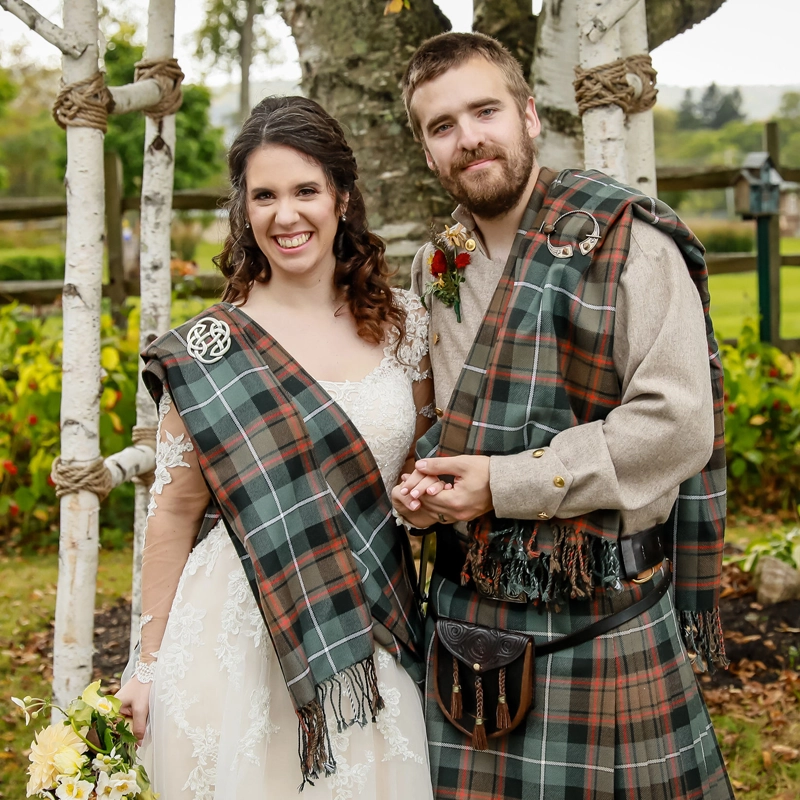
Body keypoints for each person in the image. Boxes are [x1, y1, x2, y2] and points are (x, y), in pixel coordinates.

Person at [391, 32, 733, 800]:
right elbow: (437, 422)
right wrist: (422, 490)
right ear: (425, 148)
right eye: (441, 126)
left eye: (485, 111)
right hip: (465, 620)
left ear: (530, 116)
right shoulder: (432, 265)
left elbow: (679, 425)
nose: (468, 137)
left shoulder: (629, 244)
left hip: (604, 622)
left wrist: (504, 484)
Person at [116, 95, 436, 800]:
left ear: (342, 198)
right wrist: (146, 661)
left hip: (365, 626)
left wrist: (424, 503)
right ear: (244, 208)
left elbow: (420, 474)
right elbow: (172, 517)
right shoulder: (210, 352)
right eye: (264, 195)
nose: (285, 216)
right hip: (233, 636)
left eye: (305, 191)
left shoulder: (406, 328)